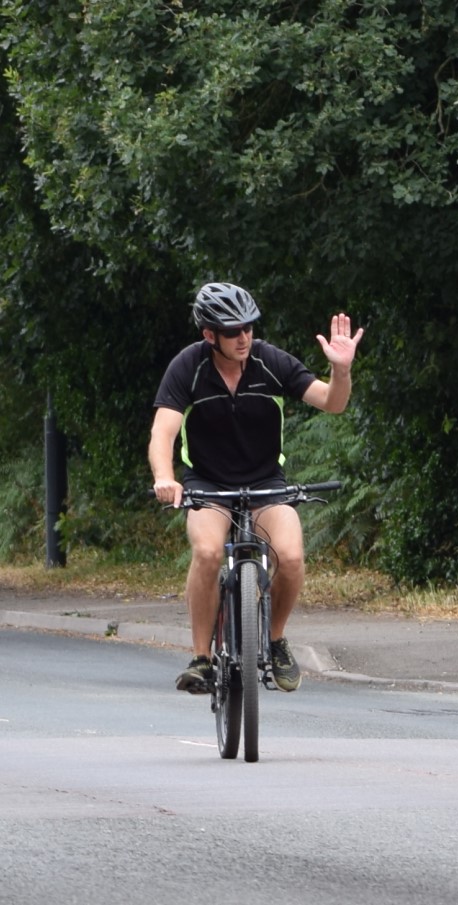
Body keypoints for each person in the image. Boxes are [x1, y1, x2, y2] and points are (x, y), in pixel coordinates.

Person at [149, 282, 363, 693]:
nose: (243, 337)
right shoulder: (188, 366)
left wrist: (341, 370)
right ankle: (201, 659)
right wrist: (164, 476)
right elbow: (164, 432)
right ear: (209, 335)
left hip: (265, 482)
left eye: (248, 327)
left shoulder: (270, 361)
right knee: (207, 552)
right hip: (208, 485)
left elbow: (332, 403)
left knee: (291, 556)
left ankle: (276, 639)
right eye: (232, 331)